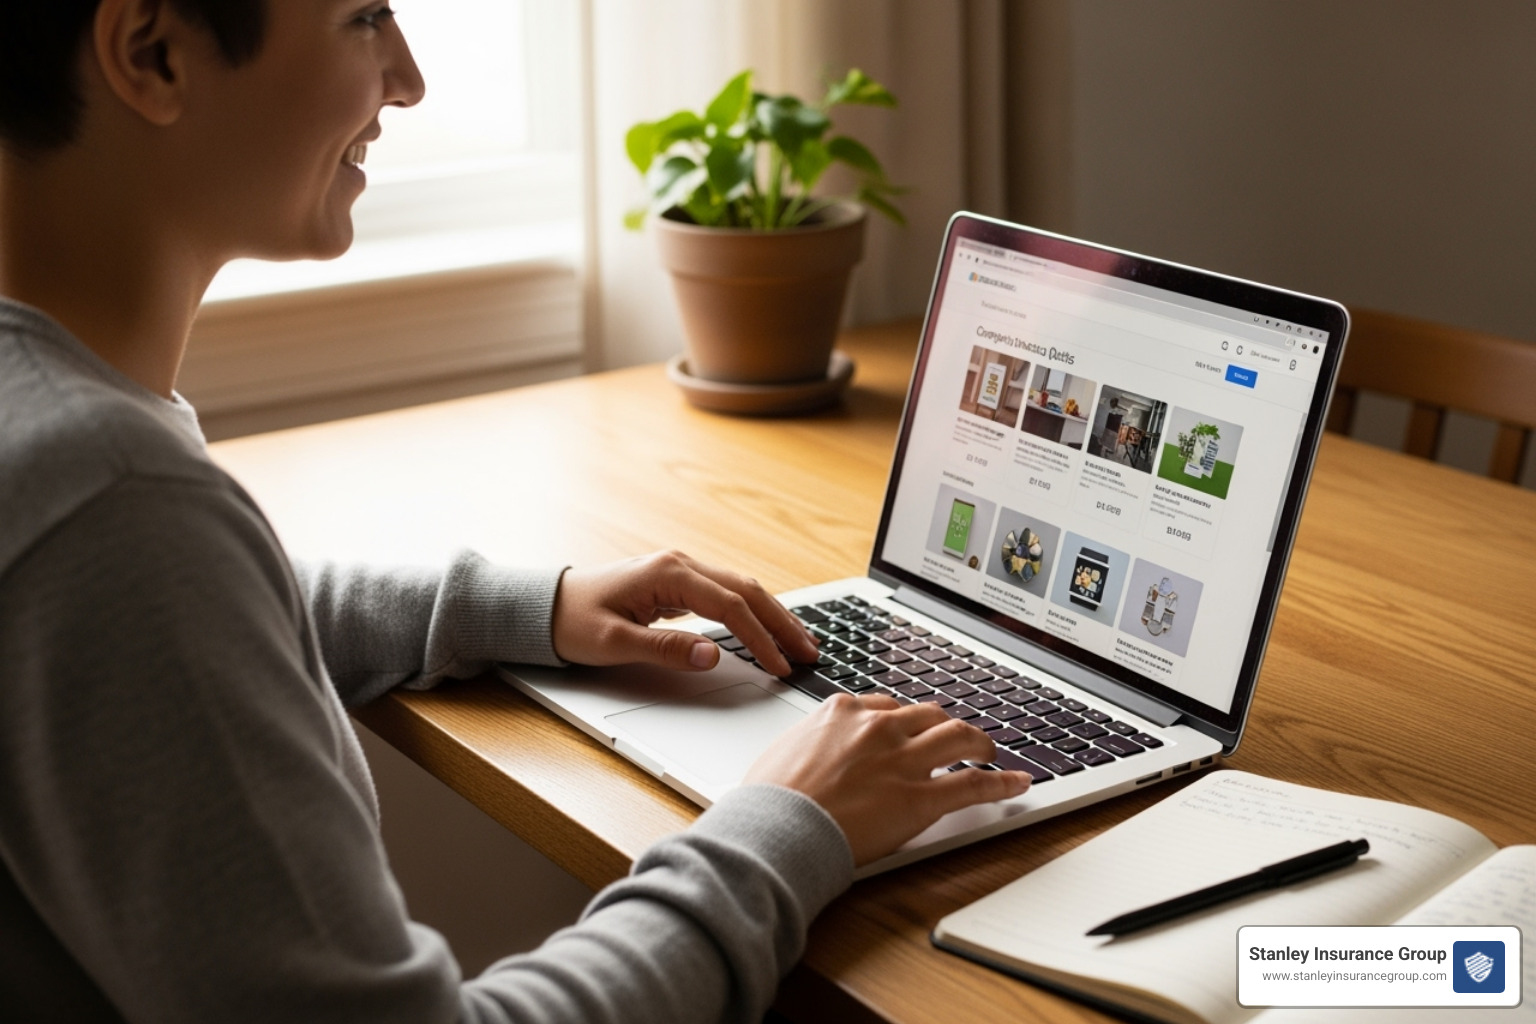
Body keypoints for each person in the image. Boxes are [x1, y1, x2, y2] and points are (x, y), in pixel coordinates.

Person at [0, 1, 1032, 1021]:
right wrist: (789, 825)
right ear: (151, 52)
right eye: (364, 17)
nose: (406, 78)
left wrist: (522, 610)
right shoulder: (109, 498)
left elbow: (178, 633)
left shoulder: (67, 457)